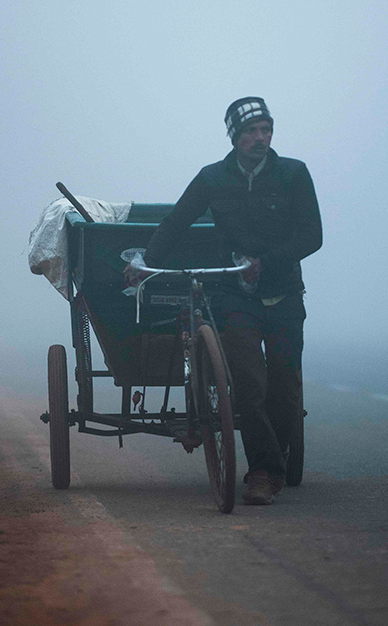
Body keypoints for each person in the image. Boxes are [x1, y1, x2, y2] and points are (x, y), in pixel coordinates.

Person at [128, 97, 322, 505]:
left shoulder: (294, 174)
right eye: (251, 131)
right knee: (249, 385)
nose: (260, 138)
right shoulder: (212, 178)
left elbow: (311, 237)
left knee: (285, 387)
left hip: (284, 293)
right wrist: (147, 263)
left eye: (266, 130)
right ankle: (263, 473)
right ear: (234, 137)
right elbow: (177, 222)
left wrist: (264, 263)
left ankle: (275, 454)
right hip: (234, 295)